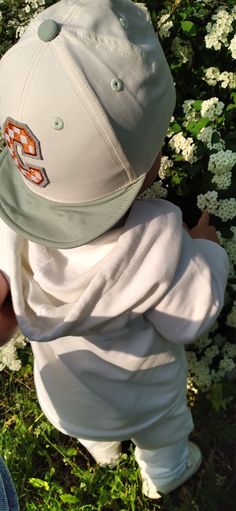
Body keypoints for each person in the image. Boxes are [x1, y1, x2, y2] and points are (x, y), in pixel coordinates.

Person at [0, 0, 229, 500]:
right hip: (144, 400)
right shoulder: (159, 245)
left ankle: (102, 451)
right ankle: (165, 471)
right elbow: (191, 317)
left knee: (92, 430)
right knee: (164, 432)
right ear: (144, 167)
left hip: (68, 401)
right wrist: (207, 251)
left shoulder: (9, 232)